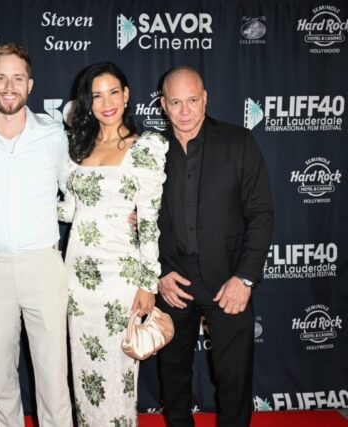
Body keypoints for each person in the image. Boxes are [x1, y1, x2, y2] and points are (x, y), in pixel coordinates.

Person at [156, 66, 273, 427]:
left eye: (192, 100)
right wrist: (159, 272)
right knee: (173, 375)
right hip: (173, 280)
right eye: (176, 102)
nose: (185, 111)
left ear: (205, 99)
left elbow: (261, 214)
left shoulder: (239, 142)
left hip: (228, 279)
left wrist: (245, 279)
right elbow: (137, 218)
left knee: (234, 378)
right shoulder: (148, 150)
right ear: (163, 104)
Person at [58, 62, 168, 426]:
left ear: (126, 95)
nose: (107, 103)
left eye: (113, 92)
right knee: (84, 372)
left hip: (121, 277)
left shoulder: (145, 147)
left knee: (117, 373)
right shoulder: (78, 147)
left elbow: (148, 222)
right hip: (77, 278)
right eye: (97, 95)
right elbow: (70, 210)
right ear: (87, 102)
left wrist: (147, 283)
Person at [0, 43, 73, 427]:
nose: (9, 86)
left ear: (29, 85)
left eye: (17, 78)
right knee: (1, 378)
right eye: (1, 77)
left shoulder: (54, 135)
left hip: (44, 266)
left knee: (53, 378)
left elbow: (76, 195)